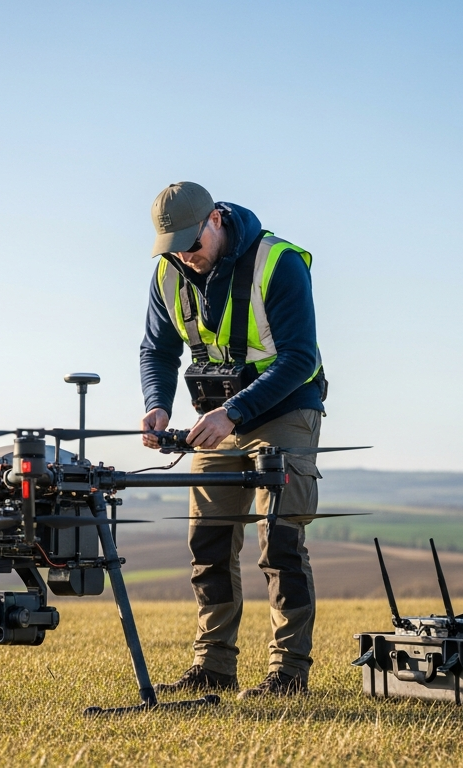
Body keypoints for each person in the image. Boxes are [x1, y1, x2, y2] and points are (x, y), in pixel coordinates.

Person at [139, 181, 327, 699]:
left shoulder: (278, 262)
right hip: (216, 420)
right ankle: (214, 665)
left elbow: (299, 357)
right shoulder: (168, 272)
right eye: (173, 247)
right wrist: (157, 404)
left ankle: (288, 673)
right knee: (208, 541)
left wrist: (235, 412)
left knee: (280, 540)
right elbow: (157, 350)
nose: (185, 255)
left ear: (216, 220)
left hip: (284, 409)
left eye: (191, 243)